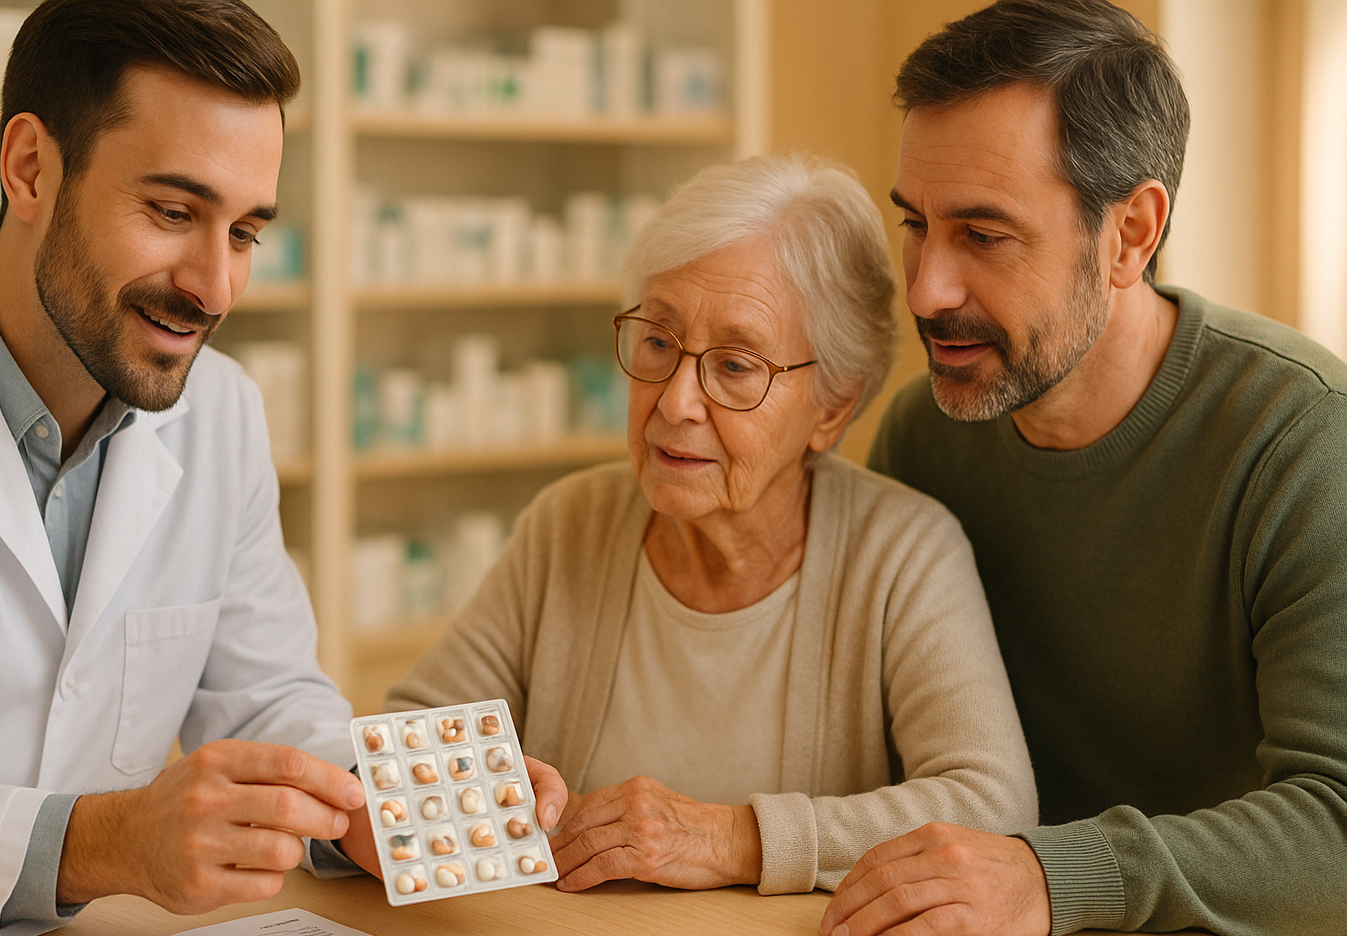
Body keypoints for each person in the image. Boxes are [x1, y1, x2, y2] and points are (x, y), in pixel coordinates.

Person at [0, 0, 565, 936]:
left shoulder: (224, 412)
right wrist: (105, 842)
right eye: (173, 212)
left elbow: (267, 700)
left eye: (245, 232)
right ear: (31, 168)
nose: (214, 287)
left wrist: (373, 803)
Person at [820, 0, 1347, 936]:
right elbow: (877, 737)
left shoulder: (1305, 438)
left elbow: (1338, 825)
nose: (927, 288)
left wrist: (1051, 874)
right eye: (916, 225)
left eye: (984, 234)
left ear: (1130, 234)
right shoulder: (927, 432)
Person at [386, 154, 1037, 895]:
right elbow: (412, 736)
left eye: (734, 366)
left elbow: (993, 805)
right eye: (658, 344)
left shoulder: (904, 555)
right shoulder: (572, 523)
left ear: (832, 407)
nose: (674, 403)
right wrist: (467, 795)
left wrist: (736, 840)